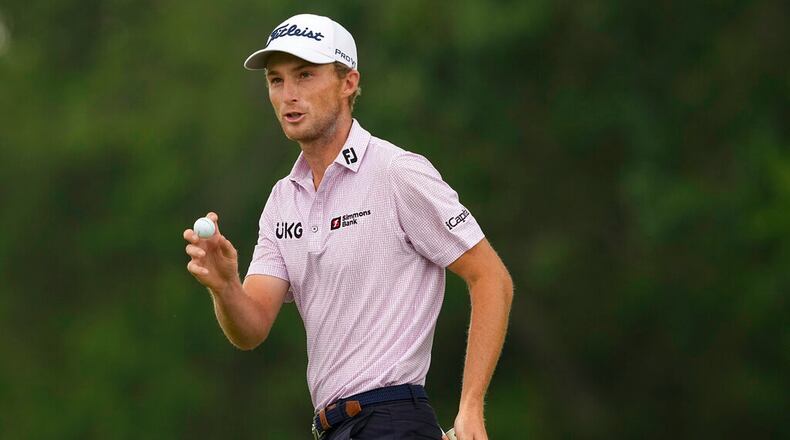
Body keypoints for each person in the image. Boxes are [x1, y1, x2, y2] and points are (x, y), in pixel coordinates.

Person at [183, 13, 513, 440]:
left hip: (392, 419)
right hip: (332, 429)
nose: (289, 95)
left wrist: (470, 406)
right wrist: (225, 286)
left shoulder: (397, 172)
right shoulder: (282, 201)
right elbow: (251, 328)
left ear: (348, 82)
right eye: (277, 80)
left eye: (304, 75)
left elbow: (491, 277)